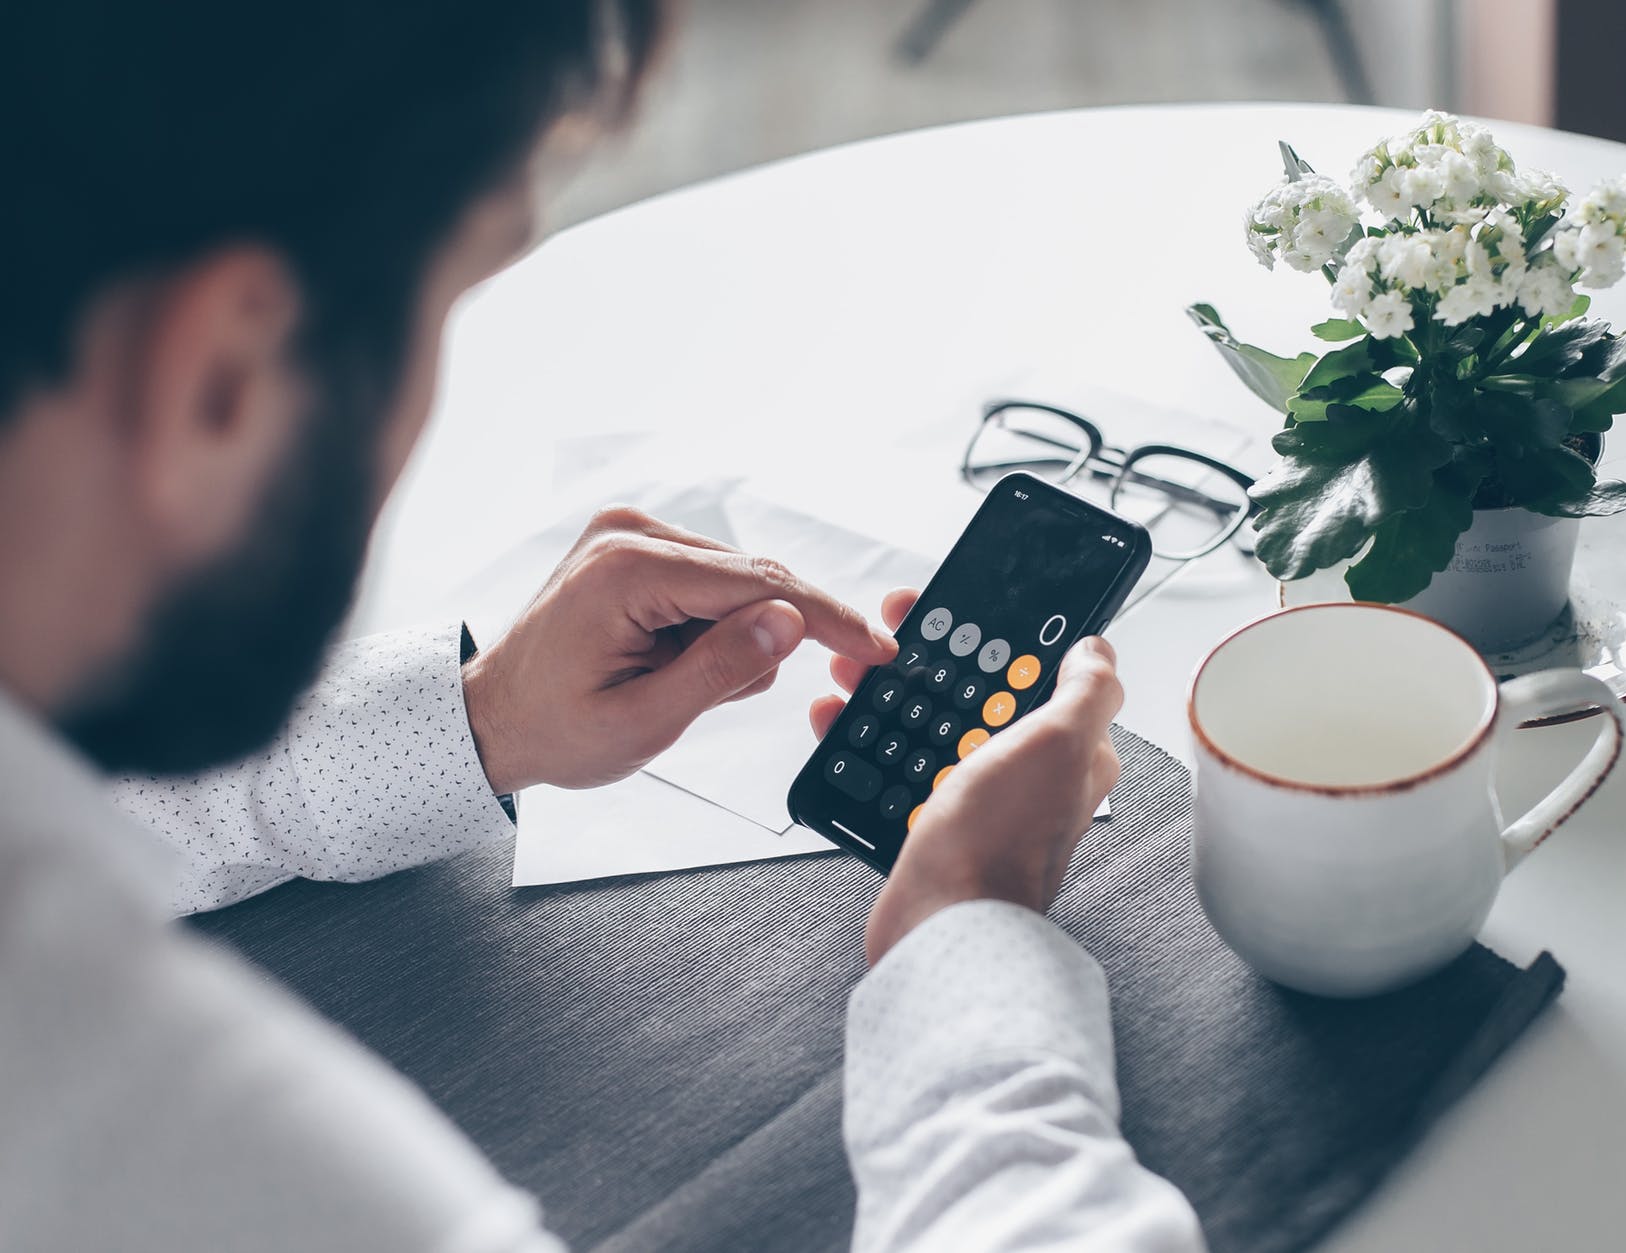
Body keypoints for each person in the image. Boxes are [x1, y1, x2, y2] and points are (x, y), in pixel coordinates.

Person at [0, 1, 1206, 1248]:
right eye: (448, 303)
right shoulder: (230, 1163)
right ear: (220, 377)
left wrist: (474, 721)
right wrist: (972, 934)